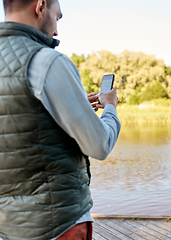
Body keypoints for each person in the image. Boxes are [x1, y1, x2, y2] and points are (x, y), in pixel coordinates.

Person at [0, 0, 121, 239]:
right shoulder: (48, 61)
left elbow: (18, 125)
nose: (56, 31)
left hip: (9, 226)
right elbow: (99, 145)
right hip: (59, 224)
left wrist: (75, 109)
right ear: (40, 5)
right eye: (58, 17)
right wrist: (110, 109)